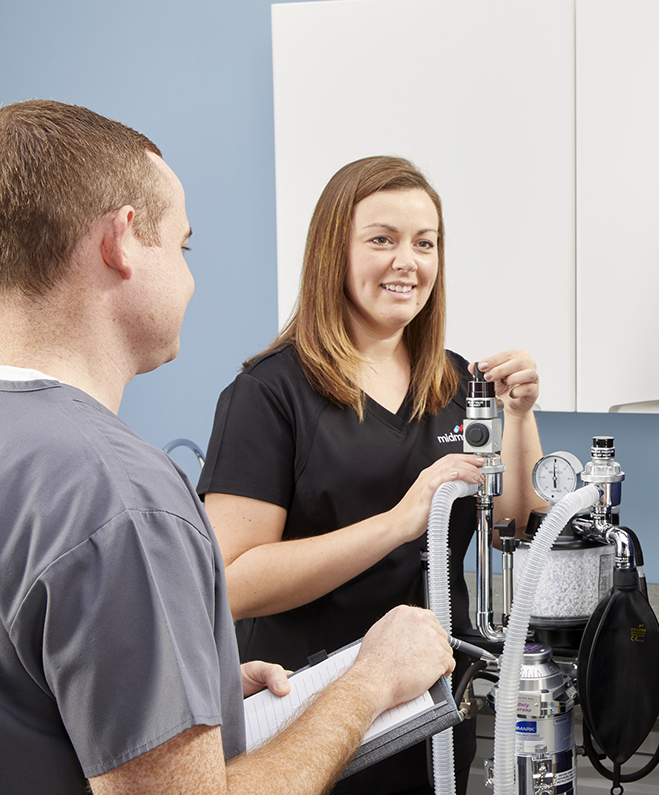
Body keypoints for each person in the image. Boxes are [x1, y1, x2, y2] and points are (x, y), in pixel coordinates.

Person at [0, 99, 456, 795]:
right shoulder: (123, 501)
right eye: (182, 245)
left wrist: (196, 688)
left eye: (426, 242)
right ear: (122, 242)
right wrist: (371, 680)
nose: (190, 275)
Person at [196, 155, 544, 795]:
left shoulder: (457, 380)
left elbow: (514, 523)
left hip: (436, 709)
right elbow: (231, 581)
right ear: (335, 251)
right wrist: (399, 523)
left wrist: (520, 419)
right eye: (381, 239)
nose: (406, 261)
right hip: (309, 717)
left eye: (425, 243)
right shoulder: (269, 394)